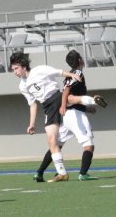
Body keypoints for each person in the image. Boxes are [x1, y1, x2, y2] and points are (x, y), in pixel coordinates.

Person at [11, 52, 100, 183]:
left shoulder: (39, 70)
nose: (15, 72)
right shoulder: (22, 86)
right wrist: (32, 124)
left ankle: (93, 101)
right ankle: (62, 173)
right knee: (52, 140)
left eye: (16, 68)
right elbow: (32, 105)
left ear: (24, 66)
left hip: (55, 97)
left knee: (69, 98)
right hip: (47, 107)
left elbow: (59, 72)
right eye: (13, 70)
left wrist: (72, 74)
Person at [59, 49, 105, 180]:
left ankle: (40, 171)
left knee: (56, 145)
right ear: (80, 60)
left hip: (69, 114)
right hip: (74, 114)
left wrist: (86, 109)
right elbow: (66, 90)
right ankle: (83, 174)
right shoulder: (77, 72)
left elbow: (70, 93)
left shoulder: (72, 73)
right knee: (89, 144)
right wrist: (63, 105)